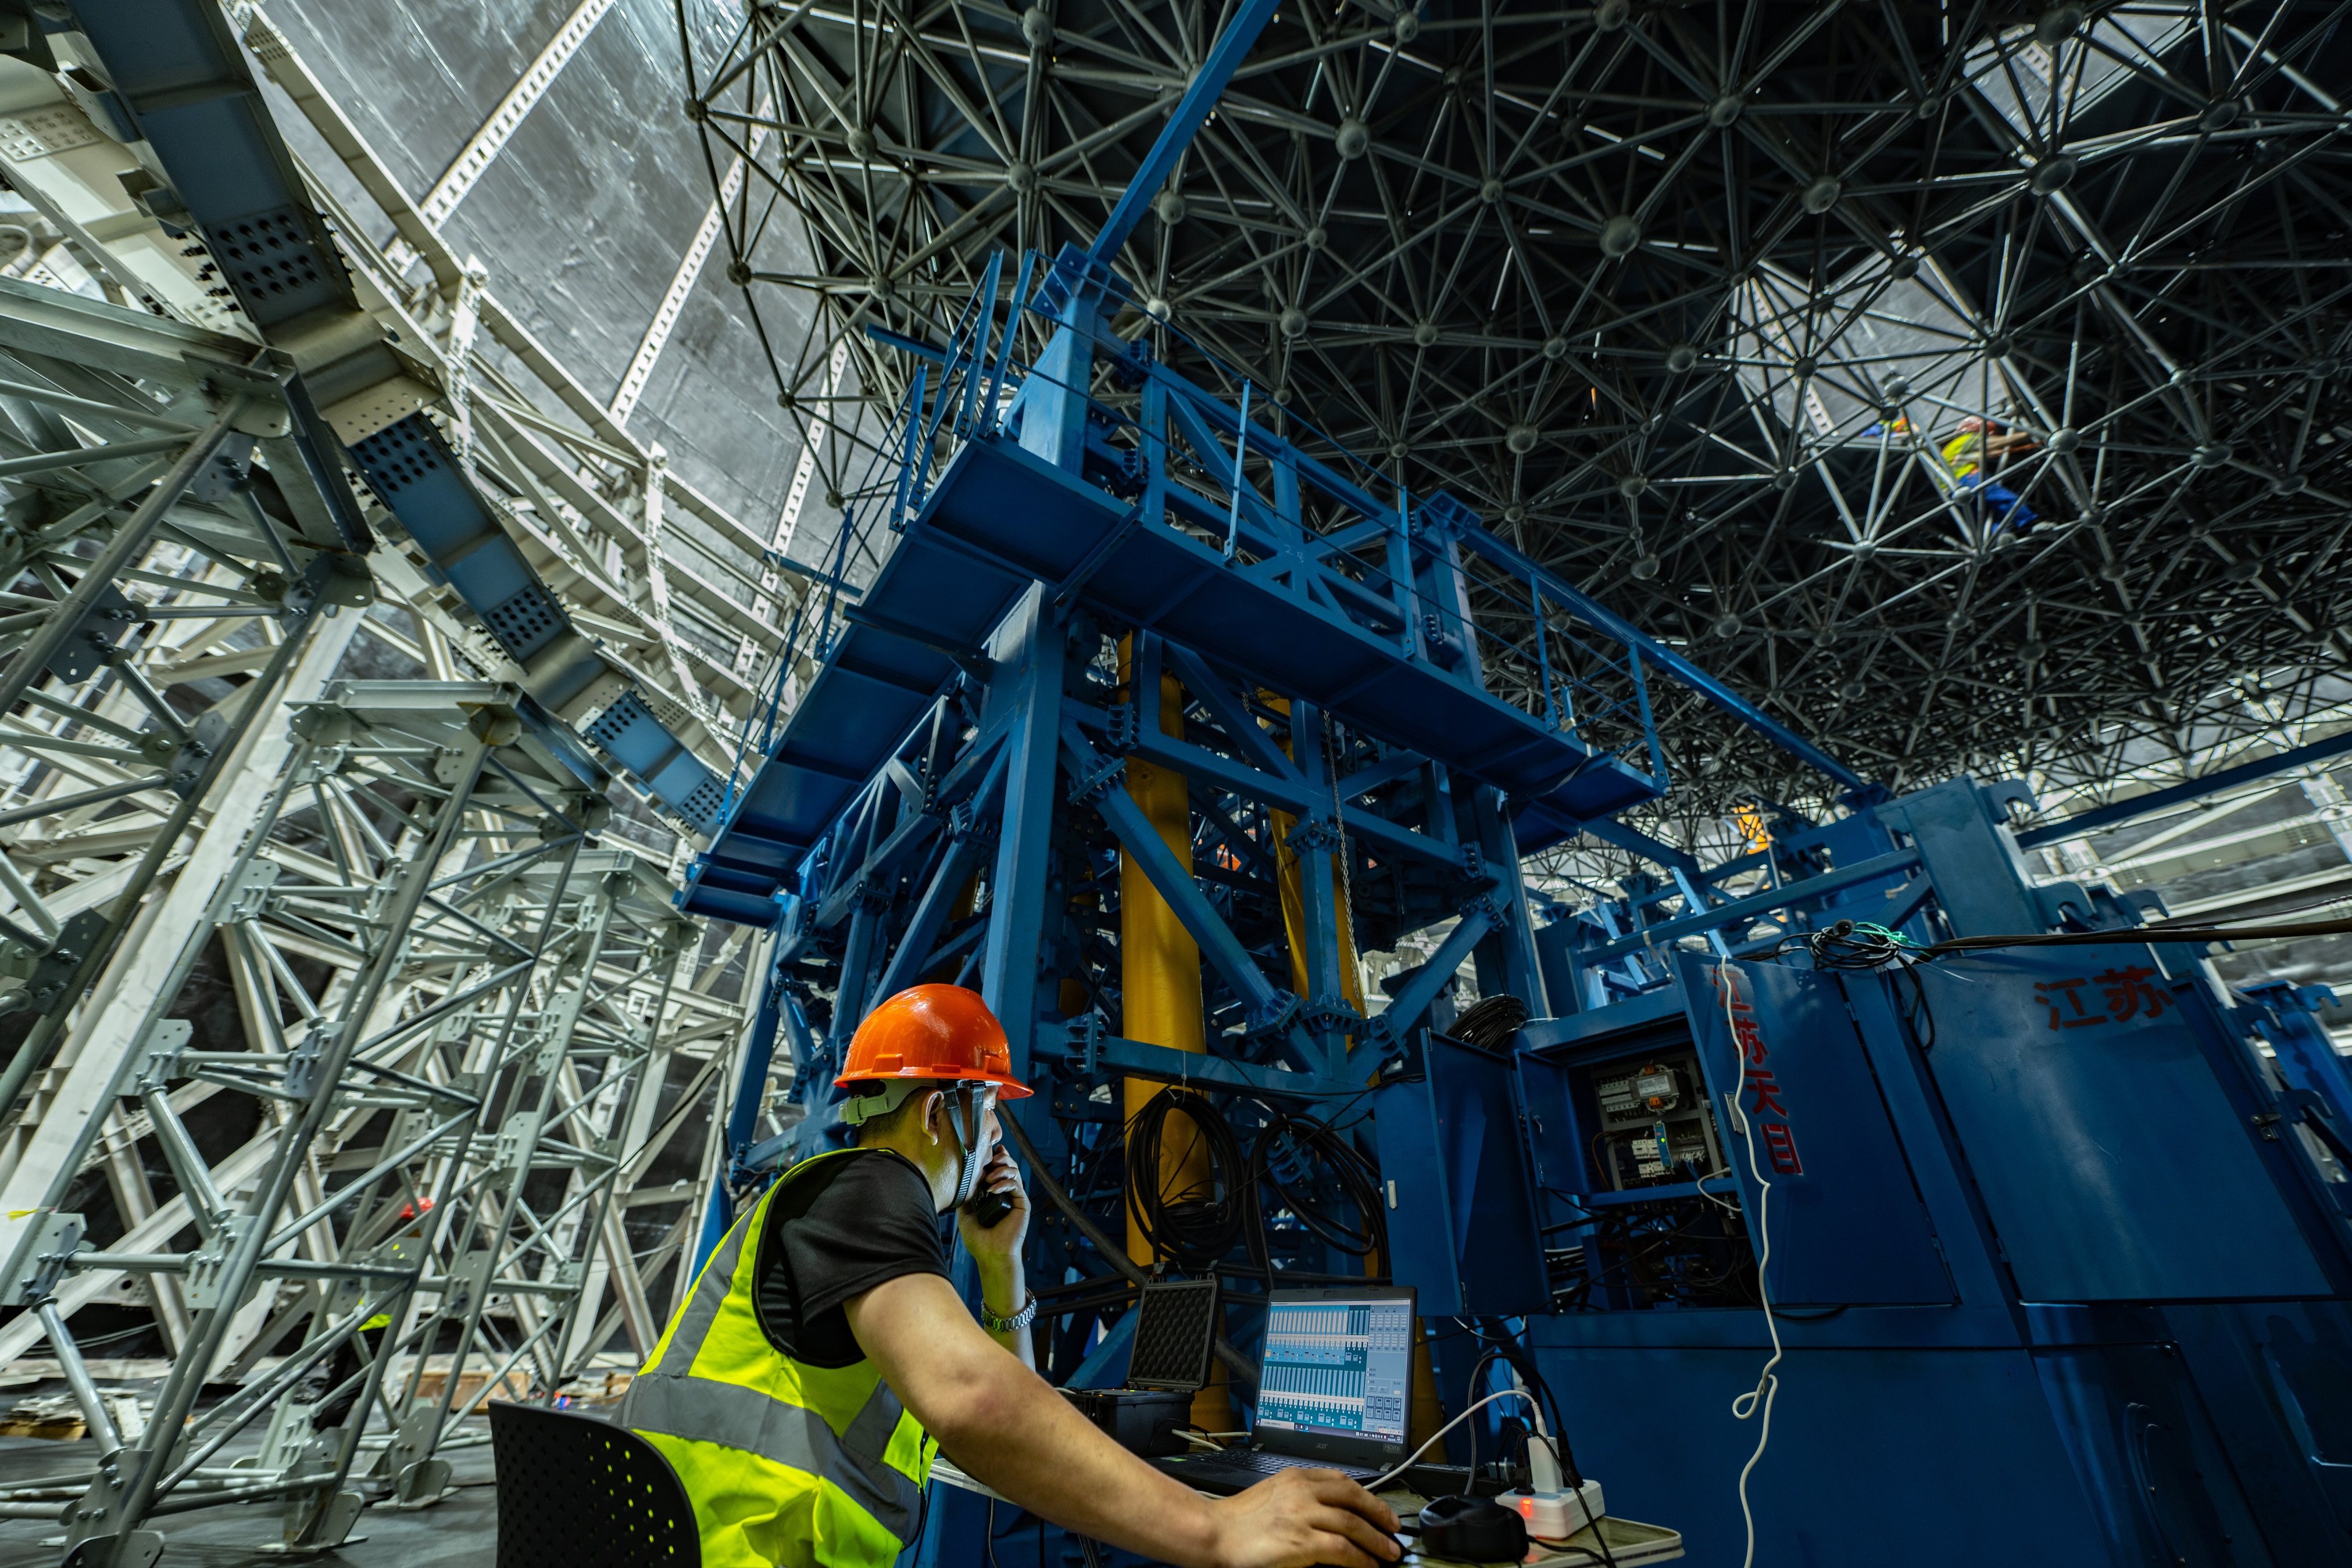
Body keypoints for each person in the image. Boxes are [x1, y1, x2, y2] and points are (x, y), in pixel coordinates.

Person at [621, 984, 1402, 1568]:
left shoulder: (841, 1199)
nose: (997, 1139)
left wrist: (1001, 1267)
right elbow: (974, 1400)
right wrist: (1216, 1526)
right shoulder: (869, 1186)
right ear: (940, 1113)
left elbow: (996, 1411)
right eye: (991, 1112)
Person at [1938, 414, 2040, 532]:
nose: (1991, 434)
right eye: (1988, 431)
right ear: (1975, 428)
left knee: (1983, 518)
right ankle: (2029, 521)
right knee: (2001, 498)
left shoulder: (1950, 448)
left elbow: (1983, 453)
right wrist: (2029, 433)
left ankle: (1999, 537)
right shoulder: (1968, 439)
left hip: (1951, 491)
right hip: (1969, 478)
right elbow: (1997, 443)